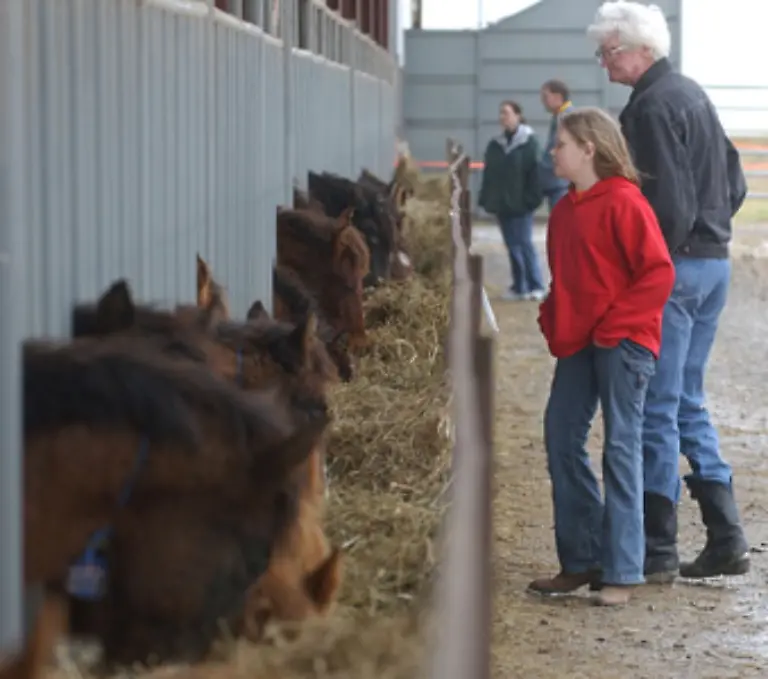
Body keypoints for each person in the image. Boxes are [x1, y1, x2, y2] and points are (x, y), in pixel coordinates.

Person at [588, 1, 750, 584]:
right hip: (713, 266)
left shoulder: (651, 108)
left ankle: (658, 547)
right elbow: (736, 181)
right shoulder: (692, 93)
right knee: (686, 398)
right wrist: (709, 235)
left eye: (608, 52)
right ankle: (725, 534)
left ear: (639, 50)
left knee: (657, 403)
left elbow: (668, 207)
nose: (603, 64)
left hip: (677, 271)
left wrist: (646, 267)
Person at [530, 107, 674, 606]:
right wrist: (553, 317)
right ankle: (583, 558)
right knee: (560, 435)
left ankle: (624, 570)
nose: (554, 151)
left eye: (561, 144)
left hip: (624, 341)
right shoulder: (565, 209)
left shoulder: (625, 204)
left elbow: (658, 274)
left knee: (621, 446)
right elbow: (564, 278)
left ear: (588, 148)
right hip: (579, 342)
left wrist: (616, 327)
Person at [478, 100, 545, 301]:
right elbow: (489, 174)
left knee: (523, 244)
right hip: (503, 205)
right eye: (501, 113)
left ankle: (536, 284)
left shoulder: (529, 144)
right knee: (511, 245)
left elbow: (535, 174)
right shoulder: (496, 145)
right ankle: (519, 286)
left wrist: (531, 200)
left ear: (518, 115)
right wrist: (487, 199)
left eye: (506, 113)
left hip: (521, 204)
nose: (502, 117)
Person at [539, 79, 574, 211]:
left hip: (560, 183)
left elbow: (557, 148)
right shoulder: (560, 116)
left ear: (558, 97)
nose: (543, 101)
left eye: (545, 96)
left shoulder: (565, 118)